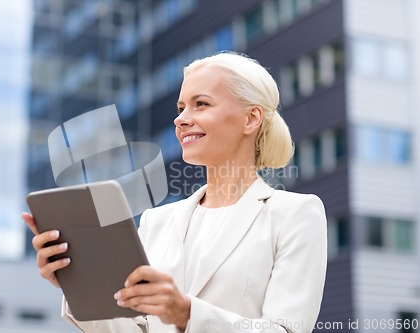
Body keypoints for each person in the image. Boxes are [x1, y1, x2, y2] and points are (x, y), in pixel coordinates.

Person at [23, 51, 327, 333]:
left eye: (201, 104)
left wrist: (186, 313)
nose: (180, 119)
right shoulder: (157, 222)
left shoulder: (294, 215)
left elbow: (286, 329)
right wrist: (77, 282)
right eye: (181, 108)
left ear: (251, 118)